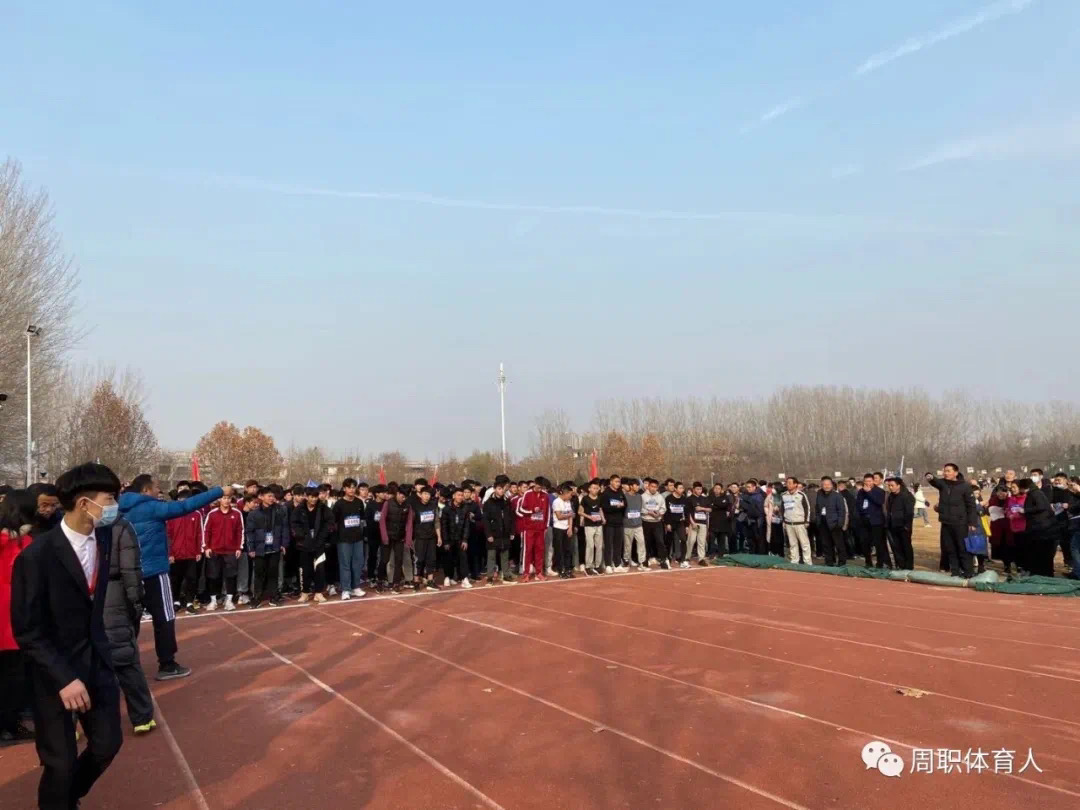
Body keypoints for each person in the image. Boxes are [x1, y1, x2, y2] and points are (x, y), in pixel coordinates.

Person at [12, 462, 125, 810]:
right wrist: (64, 678)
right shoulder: (37, 555)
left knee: (107, 744)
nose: (114, 506)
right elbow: (27, 630)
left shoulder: (103, 539)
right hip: (54, 673)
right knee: (59, 762)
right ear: (84, 503)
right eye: (110, 498)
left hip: (96, 664)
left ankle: (64, 799)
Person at [117, 475, 223, 681]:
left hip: (128, 574)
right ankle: (167, 664)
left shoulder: (119, 509)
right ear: (146, 490)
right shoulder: (152, 507)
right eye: (157, 487)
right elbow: (185, 506)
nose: (160, 491)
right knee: (164, 618)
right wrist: (218, 492)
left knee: (130, 620)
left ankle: (124, 665)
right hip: (154, 572)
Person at [103, 515, 155, 736]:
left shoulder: (69, 525)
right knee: (124, 658)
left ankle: (72, 721)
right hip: (113, 597)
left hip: (86, 596)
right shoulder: (121, 526)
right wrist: (136, 602)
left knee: (80, 660)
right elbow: (131, 570)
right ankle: (142, 716)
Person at [1, 489, 36, 746]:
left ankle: (9, 724)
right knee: (13, 676)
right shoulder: (23, 542)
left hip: (12, 616)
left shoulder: (22, 541)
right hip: (13, 617)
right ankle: (8, 725)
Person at [925, 465, 978, 578]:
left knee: (963, 548)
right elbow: (935, 481)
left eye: (948, 471)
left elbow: (971, 506)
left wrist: (972, 523)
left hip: (960, 523)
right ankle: (955, 571)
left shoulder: (965, 486)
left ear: (956, 473)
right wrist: (929, 476)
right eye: (945, 471)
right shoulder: (943, 484)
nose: (946, 473)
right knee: (950, 549)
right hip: (946, 522)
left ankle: (968, 571)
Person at [243, 488, 287, 608]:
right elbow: (249, 532)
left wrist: (284, 544)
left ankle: (273, 597)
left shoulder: (279, 511)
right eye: (269, 496)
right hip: (259, 548)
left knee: (273, 573)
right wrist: (251, 548)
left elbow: (284, 528)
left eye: (273, 496)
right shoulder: (254, 514)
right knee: (259, 573)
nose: (272, 498)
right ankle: (257, 597)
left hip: (275, 547)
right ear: (261, 497)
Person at [203, 490, 245, 611]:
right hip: (214, 551)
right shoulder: (212, 514)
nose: (226, 501)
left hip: (231, 551)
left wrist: (239, 547)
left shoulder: (237, 513)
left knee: (231, 576)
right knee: (213, 576)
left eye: (228, 498)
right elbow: (206, 531)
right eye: (224, 498)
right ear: (219, 500)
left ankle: (229, 601)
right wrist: (206, 547)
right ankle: (213, 601)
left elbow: (240, 531)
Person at [292, 487, 333, 602]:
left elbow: (329, 523)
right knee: (306, 569)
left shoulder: (323, 508)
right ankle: (305, 593)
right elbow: (294, 524)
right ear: (306, 496)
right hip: (304, 544)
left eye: (315, 497)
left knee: (320, 568)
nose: (314, 499)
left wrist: (322, 537)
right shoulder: (299, 509)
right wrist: (303, 536)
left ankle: (318, 592)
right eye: (311, 497)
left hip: (319, 543)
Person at [331, 478, 367, 599]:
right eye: (349, 487)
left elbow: (362, 519)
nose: (352, 490)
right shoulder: (339, 504)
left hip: (358, 538)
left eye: (353, 487)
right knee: (345, 564)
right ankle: (345, 589)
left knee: (358, 563)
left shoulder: (359, 502)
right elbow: (334, 522)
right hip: (343, 540)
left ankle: (356, 587)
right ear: (344, 489)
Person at [165, 502, 203, 615]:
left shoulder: (196, 514)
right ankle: (176, 602)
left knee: (192, 578)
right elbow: (168, 534)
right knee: (176, 579)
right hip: (176, 554)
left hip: (191, 554)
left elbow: (199, 533)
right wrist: (170, 553)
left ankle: (189, 603)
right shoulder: (172, 514)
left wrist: (198, 551)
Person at [1020, 477, 1056, 577]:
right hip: (1040, 527)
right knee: (1039, 552)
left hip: (1041, 528)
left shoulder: (1035, 493)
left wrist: (1025, 510)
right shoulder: (1034, 493)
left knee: (1042, 552)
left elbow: (1041, 506)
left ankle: (1043, 573)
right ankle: (1039, 572)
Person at [482, 481, 516, 583]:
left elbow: (511, 518)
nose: (501, 491)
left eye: (503, 489)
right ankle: (490, 577)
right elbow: (486, 520)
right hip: (493, 533)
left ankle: (506, 575)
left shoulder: (507, 502)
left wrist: (512, 531)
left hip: (505, 533)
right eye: (499, 489)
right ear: (495, 489)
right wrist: (488, 534)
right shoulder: (488, 503)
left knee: (505, 555)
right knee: (491, 556)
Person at [517, 478, 551, 581]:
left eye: (542, 487)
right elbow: (521, 509)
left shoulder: (545, 495)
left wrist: (546, 526)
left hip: (540, 528)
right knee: (528, 550)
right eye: (539, 487)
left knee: (540, 550)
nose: (540, 489)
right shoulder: (527, 494)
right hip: (529, 528)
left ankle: (539, 572)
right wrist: (532, 511)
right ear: (535, 484)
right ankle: (526, 573)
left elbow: (548, 511)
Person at [439, 488, 472, 588]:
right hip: (449, 538)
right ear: (453, 496)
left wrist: (465, 539)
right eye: (458, 495)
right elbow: (444, 526)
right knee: (448, 558)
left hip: (460, 538)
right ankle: (448, 577)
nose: (460, 497)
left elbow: (467, 525)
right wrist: (445, 541)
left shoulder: (465, 508)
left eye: (462, 495)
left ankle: (464, 578)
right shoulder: (446, 509)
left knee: (463, 558)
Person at [857, 474, 891, 569]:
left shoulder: (879, 491)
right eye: (866, 481)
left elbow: (879, 502)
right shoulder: (861, 492)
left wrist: (869, 492)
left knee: (878, 543)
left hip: (876, 521)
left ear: (873, 481)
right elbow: (858, 504)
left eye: (870, 481)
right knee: (865, 542)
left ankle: (880, 563)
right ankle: (868, 562)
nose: (868, 483)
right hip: (864, 520)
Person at [409, 486, 441, 590]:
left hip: (431, 537)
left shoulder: (433, 506)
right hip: (419, 538)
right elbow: (410, 522)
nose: (427, 496)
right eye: (425, 494)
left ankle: (430, 581)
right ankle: (416, 581)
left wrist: (439, 536)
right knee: (418, 560)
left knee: (431, 559)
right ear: (420, 495)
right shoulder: (415, 506)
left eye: (429, 494)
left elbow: (436, 521)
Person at [815, 477, 848, 566]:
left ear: (832, 485)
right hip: (823, 522)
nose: (826, 486)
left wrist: (840, 523)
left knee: (839, 544)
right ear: (822, 485)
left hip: (835, 523)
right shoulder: (819, 495)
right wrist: (818, 520)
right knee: (826, 544)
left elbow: (842, 510)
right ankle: (829, 561)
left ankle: (842, 562)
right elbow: (817, 508)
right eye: (824, 484)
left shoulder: (837, 496)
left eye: (828, 484)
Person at [884, 477, 915, 571]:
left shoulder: (906, 496)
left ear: (898, 486)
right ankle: (901, 565)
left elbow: (909, 512)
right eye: (889, 486)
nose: (890, 487)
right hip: (893, 526)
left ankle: (909, 566)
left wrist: (907, 526)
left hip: (903, 526)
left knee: (906, 546)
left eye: (892, 485)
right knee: (897, 547)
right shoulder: (891, 496)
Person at [781, 477, 812, 565]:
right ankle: (794, 561)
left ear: (795, 484)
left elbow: (807, 508)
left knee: (804, 543)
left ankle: (807, 562)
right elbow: (782, 508)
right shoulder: (784, 495)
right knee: (792, 544)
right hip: (788, 523)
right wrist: (784, 520)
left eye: (790, 483)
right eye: (787, 483)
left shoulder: (801, 495)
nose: (788, 484)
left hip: (800, 523)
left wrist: (806, 521)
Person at [599, 475, 626, 573]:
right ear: (611, 482)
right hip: (609, 523)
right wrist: (616, 507)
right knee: (608, 544)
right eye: (616, 481)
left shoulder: (620, 492)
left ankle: (617, 564)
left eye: (619, 482)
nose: (618, 484)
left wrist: (621, 507)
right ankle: (608, 565)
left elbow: (625, 504)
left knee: (618, 544)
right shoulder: (605, 493)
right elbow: (604, 507)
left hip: (619, 522)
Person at [578, 480, 605, 576]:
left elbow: (600, 509)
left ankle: (597, 565)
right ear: (589, 489)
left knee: (599, 545)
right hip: (589, 525)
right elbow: (580, 512)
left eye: (597, 488)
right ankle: (588, 566)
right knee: (590, 545)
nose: (595, 490)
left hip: (598, 524)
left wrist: (603, 518)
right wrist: (589, 517)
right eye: (593, 488)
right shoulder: (585, 499)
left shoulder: (599, 498)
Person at [550, 483, 576, 579]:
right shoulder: (556, 502)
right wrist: (569, 515)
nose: (570, 496)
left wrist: (570, 528)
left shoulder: (568, 502)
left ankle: (568, 569)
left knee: (568, 550)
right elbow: (559, 516)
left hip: (567, 528)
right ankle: (560, 570)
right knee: (559, 550)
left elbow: (571, 516)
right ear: (565, 493)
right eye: (569, 494)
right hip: (558, 529)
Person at [621, 479, 646, 569]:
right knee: (627, 545)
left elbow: (641, 508)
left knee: (641, 542)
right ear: (631, 486)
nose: (638, 487)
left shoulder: (639, 496)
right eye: (636, 485)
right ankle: (626, 560)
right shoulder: (624, 496)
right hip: (628, 524)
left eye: (638, 485)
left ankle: (642, 561)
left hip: (638, 524)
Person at [664, 482, 690, 567]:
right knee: (669, 541)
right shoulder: (669, 498)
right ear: (675, 489)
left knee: (683, 540)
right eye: (680, 488)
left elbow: (686, 513)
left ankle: (682, 560)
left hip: (680, 523)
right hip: (671, 523)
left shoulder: (684, 499)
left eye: (683, 488)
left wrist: (686, 525)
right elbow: (666, 512)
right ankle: (667, 559)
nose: (682, 490)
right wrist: (667, 523)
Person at [686, 482, 711, 566]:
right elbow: (688, 513)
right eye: (697, 489)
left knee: (701, 541)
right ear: (693, 489)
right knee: (691, 540)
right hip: (693, 522)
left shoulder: (705, 499)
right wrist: (692, 522)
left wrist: (702, 508)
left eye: (700, 489)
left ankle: (701, 558)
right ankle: (687, 557)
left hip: (703, 522)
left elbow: (710, 509)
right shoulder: (689, 499)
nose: (699, 491)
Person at [707, 482, 733, 558]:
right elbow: (709, 505)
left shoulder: (725, 497)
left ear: (721, 490)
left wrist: (714, 504)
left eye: (719, 488)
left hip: (722, 522)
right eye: (716, 488)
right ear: (713, 489)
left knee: (721, 539)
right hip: (713, 521)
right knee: (711, 538)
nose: (717, 490)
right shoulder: (709, 497)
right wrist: (717, 505)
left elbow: (724, 505)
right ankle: (711, 553)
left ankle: (721, 554)